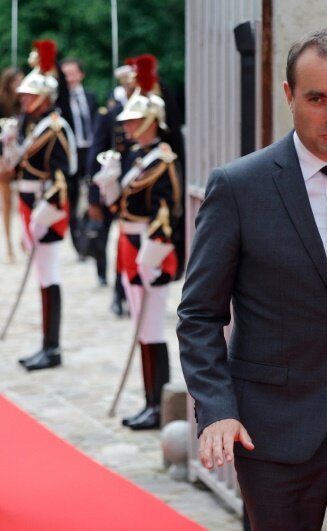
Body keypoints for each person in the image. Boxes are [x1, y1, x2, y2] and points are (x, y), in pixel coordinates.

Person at [177, 28, 327, 529]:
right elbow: (199, 314)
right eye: (317, 99)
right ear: (289, 96)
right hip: (274, 434)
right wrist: (218, 407)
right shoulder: (239, 187)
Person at [93, 54, 182, 430]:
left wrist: (153, 256)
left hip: (149, 249)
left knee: (152, 329)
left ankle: (157, 404)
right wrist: (109, 183)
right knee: (140, 328)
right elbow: (118, 206)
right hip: (128, 245)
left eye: (133, 121)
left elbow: (168, 213)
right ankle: (149, 400)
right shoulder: (134, 157)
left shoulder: (163, 161)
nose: (127, 126)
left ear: (149, 122)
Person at [6, 40, 77, 371]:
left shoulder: (55, 128)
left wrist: (41, 216)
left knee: (48, 276)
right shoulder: (31, 125)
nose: (23, 100)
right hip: (28, 204)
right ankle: (47, 344)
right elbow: (14, 167)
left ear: (44, 98)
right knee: (42, 277)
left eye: (29, 96)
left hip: (44, 209)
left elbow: (63, 180)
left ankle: (52, 347)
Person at [86, 62, 137, 316]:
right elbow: (96, 152)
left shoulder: (150, 111)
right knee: (104, 234)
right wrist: (94, 197)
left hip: (137, 186)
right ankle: (104, 275)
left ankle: (122, 291)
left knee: (127, 242)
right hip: (112, 183)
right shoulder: (111, 113)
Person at [60, 57, 98, 258]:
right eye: (66, 74)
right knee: (73, 199)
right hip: (72, 154)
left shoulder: (90, 96)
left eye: (73, 73)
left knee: (93, 196)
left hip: (90, 151)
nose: (70, 78)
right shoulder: (60, 100)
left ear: (81, 74)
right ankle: (79, 246)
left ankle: (92, 239)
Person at [0, 67, 23, 262]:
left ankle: (25, 238)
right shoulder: (1, 103)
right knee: (7, 202)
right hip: (4, 158)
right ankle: (8, 243)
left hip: (22, 156)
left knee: (25, 199)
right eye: (15, 82)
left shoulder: (25, 102)